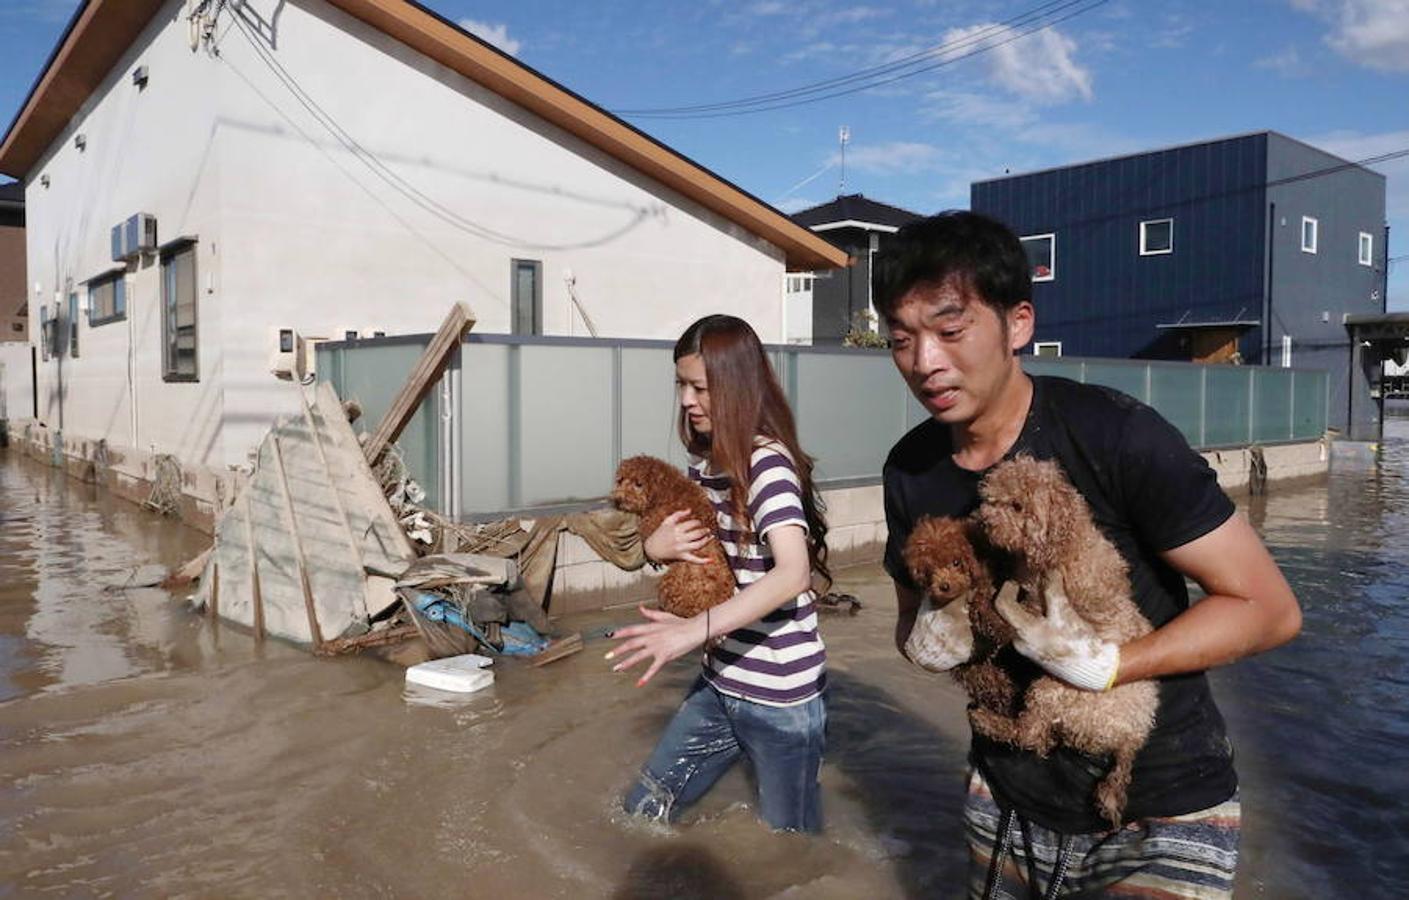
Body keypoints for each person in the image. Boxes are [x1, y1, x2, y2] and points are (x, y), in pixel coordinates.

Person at [874, 212, 1302, 898]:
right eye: (901, 340)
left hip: (1159, 804)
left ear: (1017, 323)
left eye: (950, 332)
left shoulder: (1116, 435)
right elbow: (908, 621)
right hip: (1004, 795)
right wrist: (928, 636)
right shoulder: (910, 472)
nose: (924, 362)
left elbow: (1267, 610)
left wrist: (1108, 665)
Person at [608, 314, 831, 832]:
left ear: (735, 387)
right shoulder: (703, 465)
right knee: (642, 809)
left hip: (781, 698)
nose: (686, 400)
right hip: (720, 680)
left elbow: (794, 573)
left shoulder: (766, 465)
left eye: (700, 387)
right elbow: (704, 555)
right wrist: (652, 547)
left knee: (790, 843)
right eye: (681, 385)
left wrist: (690, 631)